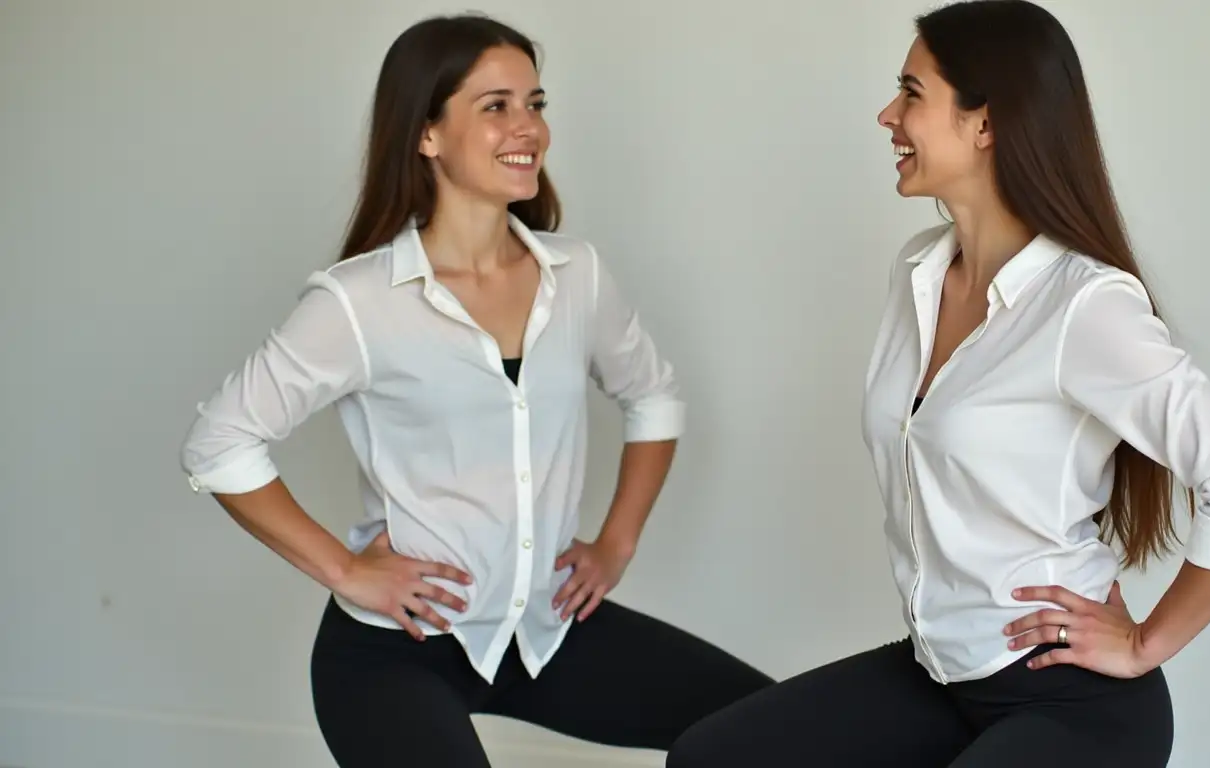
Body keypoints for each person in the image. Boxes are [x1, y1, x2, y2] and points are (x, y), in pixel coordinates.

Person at [666, 2, 1210, 766]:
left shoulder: (1082, 306)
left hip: (1070, 702)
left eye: (911, 93)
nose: (886, 114)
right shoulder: (918, 274)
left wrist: (1143, 643)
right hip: (941, 675)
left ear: (985, 124)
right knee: (712, 757)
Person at [178, 14, 772, 767]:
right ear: (426, 134)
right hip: (396, 653)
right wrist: (345, 568)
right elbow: (220, 442)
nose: (529, 128)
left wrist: (615, 543)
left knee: (772, 731)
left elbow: (653, 396)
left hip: (548, 629)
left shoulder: (575, 274)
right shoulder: (358, 302)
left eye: (536, 103)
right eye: (496, 106)